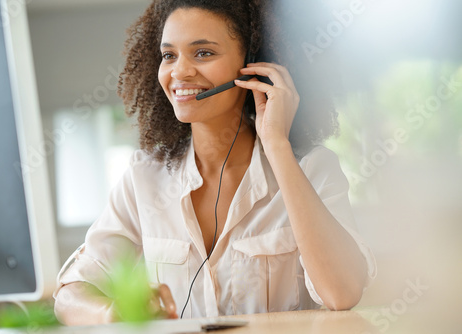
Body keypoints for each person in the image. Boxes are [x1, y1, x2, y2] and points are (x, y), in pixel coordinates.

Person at [53, 0, 376, 325]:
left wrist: (277, 145)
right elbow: (70, 294)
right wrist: (111, 313)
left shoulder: (311, 169)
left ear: (253, 63)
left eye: (203, 53)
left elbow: (341, 293)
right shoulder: (144, 178)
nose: (180, 72)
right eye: (169, 55)